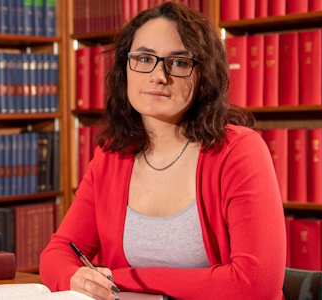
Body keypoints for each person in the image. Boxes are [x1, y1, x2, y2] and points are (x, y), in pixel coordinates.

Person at [40, 2, 286, 300]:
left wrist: (121, 279)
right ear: (125, 69)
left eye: (179, 63)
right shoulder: (111, 155)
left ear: (204, 74)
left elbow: (256, 286)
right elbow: (58, 253)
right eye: (144, 58)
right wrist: (75, 278)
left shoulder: (238, 150)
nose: (158, 76)